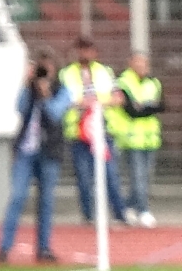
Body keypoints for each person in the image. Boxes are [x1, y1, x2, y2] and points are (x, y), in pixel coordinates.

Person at [0, 45, 71, 265]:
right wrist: (25, 83)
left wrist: (47, 96)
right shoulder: (29, 89)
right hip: (26, 151)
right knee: (17, 197)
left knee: (46, 201)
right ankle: (4, 247)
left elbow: (56, 115)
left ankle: (44, 248)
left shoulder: (62, 90)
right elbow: (19, 108)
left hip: (49, 152)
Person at [59, 36, 126, 226]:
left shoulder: (105, 72)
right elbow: (64, 99)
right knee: (83, 177)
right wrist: (81, 103)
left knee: (110, 175)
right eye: (81, 49)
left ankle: (119, 214)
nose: (84, 53)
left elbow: (118, 98)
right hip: (78, 132)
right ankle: (88, 216)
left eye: (88, 49)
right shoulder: (66, 74)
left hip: (103, 131)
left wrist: (98, 103)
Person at [114, 51, 164, 229]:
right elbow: (131, 110)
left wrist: (145, 106)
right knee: (138, 177)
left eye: (144, 63)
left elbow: (161, 105)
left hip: (150, 139)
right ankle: (143, 210)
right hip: (132, 139)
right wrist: (147, 107)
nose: (142, 66)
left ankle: (127, 206)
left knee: (145, 177)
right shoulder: (123, 82)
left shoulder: (154, 82)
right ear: (131, 63)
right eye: (138, 63)